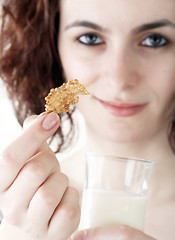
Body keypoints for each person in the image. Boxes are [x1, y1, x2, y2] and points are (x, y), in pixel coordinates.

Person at [0, 0, 175, 239]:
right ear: (50, 46)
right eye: (90, 38)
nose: (119, 79)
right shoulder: (15, 215)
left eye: (155, 40)